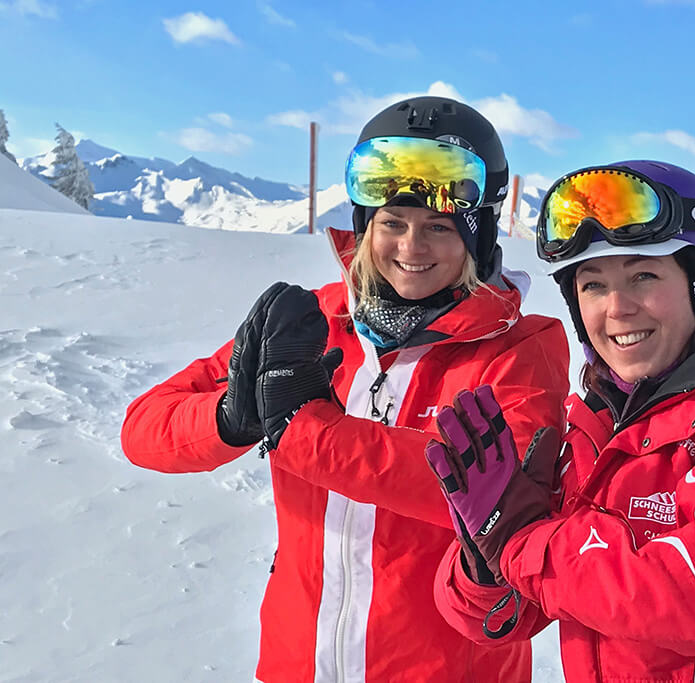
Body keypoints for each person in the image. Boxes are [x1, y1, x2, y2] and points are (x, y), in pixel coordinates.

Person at [120, 96, 569, 683]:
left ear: (477, 237)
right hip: (296, 662)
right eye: (393, 223)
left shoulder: (518, 346)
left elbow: (482, 493)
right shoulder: (311, 326)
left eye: (438, 227)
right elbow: (144, 429)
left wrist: (303, 426)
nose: (412, 248)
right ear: (365, 226)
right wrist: (233, 417)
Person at [426, 160, 695, 682]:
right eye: (592, 286)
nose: (617, 309)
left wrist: (522, 546)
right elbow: (500, 616)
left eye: (643, 275)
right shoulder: (596, 418)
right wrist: (488, 554)